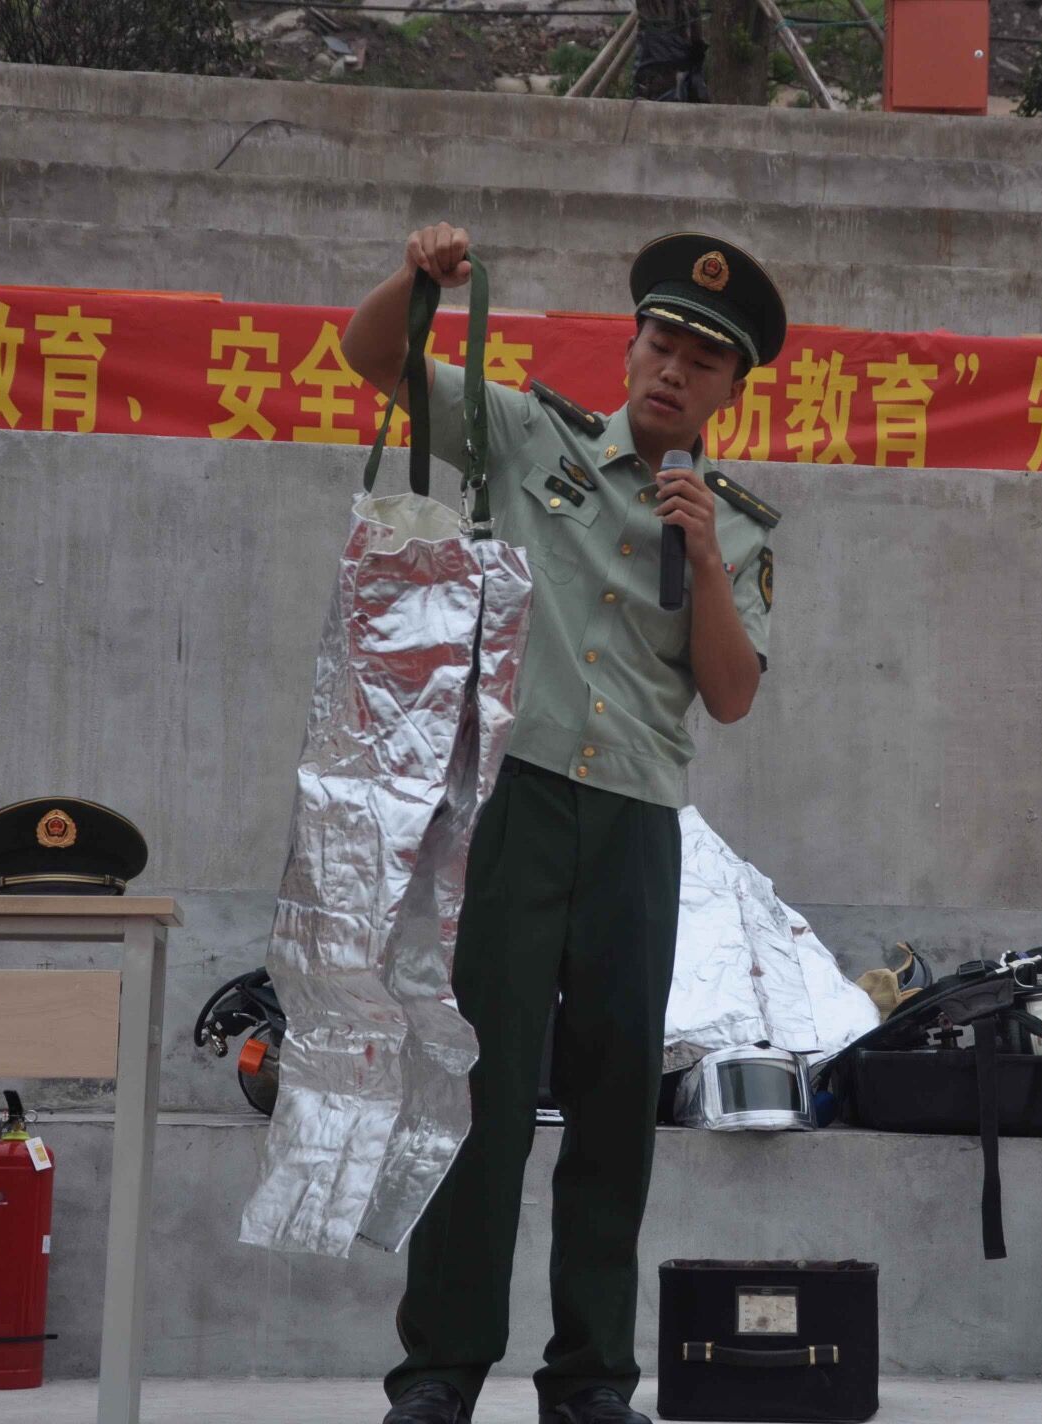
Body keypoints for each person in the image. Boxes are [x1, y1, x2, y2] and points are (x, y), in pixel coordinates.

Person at [339, 225, 789, 1424]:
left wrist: (700, 554)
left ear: (732, 389)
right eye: (661, 341)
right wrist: (417, 280)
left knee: (612, 1106)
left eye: (703, 359)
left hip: (635, 825)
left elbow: (731, 695)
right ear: (630, 345)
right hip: (514, 800)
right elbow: (372, 357)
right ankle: (439, 1370)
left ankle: (589, 1378)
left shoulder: (736, 525)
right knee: (477, 1093)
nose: (673, 369)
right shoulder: (528, 434)